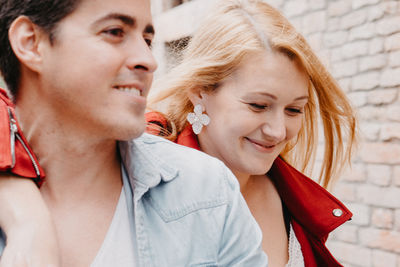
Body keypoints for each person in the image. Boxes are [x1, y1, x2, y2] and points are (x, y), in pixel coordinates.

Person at [0, 0, 268, 266]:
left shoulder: (206, 191)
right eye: (115, 32)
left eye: (147, 39)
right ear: (31, 42)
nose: (149, 61)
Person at [145, 0, 357, 266]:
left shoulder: (293, 201)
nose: (278, 131)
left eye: (294, 109)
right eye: (258, 105)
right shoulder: (143, 183)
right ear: (200, 92)